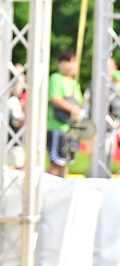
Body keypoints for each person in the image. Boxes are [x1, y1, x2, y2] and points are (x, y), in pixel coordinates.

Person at [45, 46, 83, 176]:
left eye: (73, 62)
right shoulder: (56, 78)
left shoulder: (74, 83)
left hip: (72, 127)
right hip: (58, 126)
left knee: (65, 162)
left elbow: (79, 102)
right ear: (60, 63)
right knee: (57, 163)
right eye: (68, 61)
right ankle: (48, 185)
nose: (71, 65)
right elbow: (55, 99)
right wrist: (72, 108)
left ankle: (58, 187)